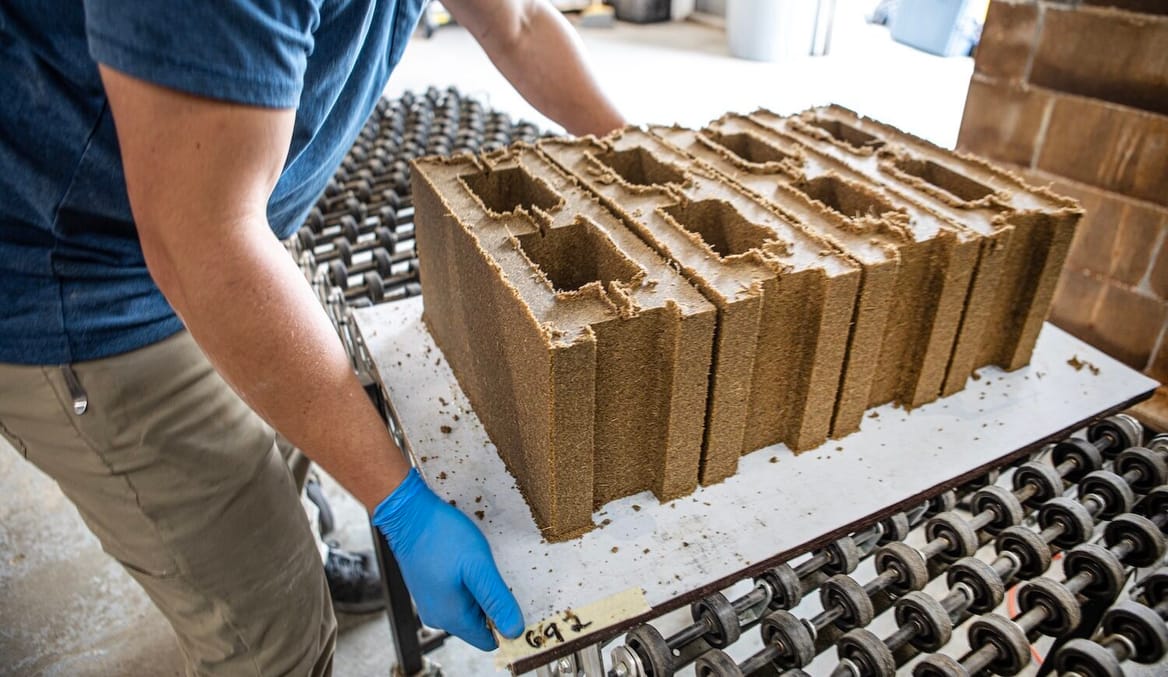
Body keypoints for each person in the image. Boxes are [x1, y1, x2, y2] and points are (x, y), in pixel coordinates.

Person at [0, 0, 624, 673]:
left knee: (282, 437)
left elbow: (519, 24)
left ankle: (309, 552)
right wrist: (402, 503)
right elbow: (202, 243)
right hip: (86, 277)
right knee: (270, 637)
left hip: (225, 214)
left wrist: (639, 160)